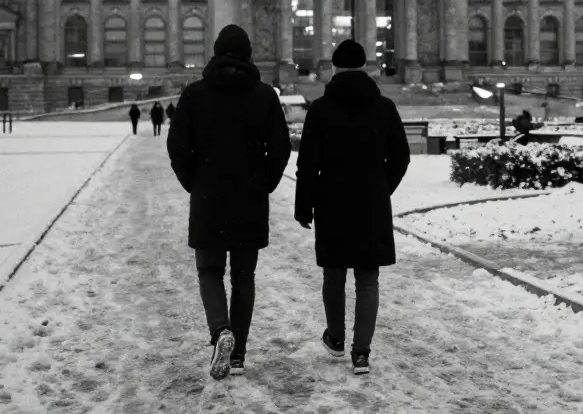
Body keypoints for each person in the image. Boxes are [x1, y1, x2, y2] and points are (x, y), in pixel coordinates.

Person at [166, 24, 291, 379]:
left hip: (208, 195)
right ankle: (238, 354)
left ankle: (221, 330)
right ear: (249, 55)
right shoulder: (265, 95)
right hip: (250, 196)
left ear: (216, 53)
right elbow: (281, 147)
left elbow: (176, 146)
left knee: (209, 271)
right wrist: (265, 181)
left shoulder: (194, 94)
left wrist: (193, 181)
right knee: (244, 276)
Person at [295, 40, 410, 376]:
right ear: (365, 67)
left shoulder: (320, 108)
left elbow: (307, 163)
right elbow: (401, 157)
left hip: (331, 199)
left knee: (334, 273)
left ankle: (336, 338)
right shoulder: (384, 107)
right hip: (371, 202)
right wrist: (380, 188)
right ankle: (361, 353)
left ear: (334, 68)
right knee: (368, 278)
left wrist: (305, 206)